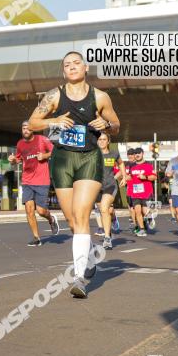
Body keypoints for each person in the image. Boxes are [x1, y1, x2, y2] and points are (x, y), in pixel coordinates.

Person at [27, 51, 120, 299]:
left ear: (85, 67)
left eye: (76, 63)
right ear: (63, 70)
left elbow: (117, 124)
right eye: (67, 64)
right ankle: (87, 262)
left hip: (89, 158)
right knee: (72, 220)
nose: (72, 67)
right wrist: (54, 120)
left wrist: (106, 125)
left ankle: (80, 278)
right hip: (62, 160)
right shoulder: (54, 95)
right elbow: (33, 122)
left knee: (81, 215)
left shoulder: (100, 96)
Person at [8, 120, 60, 246]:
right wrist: (13, 160)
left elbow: (56, 152)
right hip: (27, 181)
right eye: (23, 128)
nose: (25, 130)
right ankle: (36, 238)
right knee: (29, 210)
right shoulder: (20, 144)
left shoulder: (42, 139)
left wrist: (44, 156)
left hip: (42, 180)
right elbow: (19, 160)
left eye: (28, 128)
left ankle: (51, 219)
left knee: (41, 211)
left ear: (33, 129)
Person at [93, 131, 122, 249]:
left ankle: (107, 238)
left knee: (104, 210)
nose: (101, 141)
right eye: (99, 139)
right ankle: (112, 222)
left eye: (104, 139)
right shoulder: (93, 154)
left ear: (108, 141)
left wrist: (122, 176)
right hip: (96, 187)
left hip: (110, 185)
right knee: (105, 211)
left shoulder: (113, 154)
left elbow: (121, 164)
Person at [126, 147, 156, 237]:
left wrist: (145, 177)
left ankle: (150, 217)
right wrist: (125, 178)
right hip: (135, 192)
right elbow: (130, 177)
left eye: (139, 153)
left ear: (143, 154)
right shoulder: (132, 166)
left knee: (144, 211)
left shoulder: (148, 165)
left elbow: (154, 177)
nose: (137, 155)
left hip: (146, 192)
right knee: (137, 211)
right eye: (135, 153)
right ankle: (142, 229)